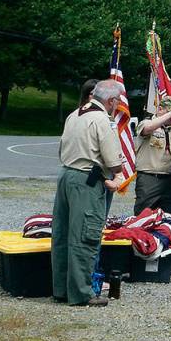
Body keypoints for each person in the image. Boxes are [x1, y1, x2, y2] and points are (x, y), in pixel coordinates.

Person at [52, 79, 124, 306]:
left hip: (67, 175)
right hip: (87, 180)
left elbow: (61, 148)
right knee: (84, 235)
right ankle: (82, 293)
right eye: (117, 101)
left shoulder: (75, 115)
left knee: (62, 236)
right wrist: (117, 174)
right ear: (111, 100)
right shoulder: (102, 120)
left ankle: (62, 289)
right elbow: (112, 157)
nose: (117, 106)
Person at [133, 95, 171, 216]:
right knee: (143, 214)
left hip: (170, 179)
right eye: (170, 112)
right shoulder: (146, 122)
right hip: (149, 178)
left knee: (170, 215)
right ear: (160, 109)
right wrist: (170, 114)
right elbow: (147, 129)